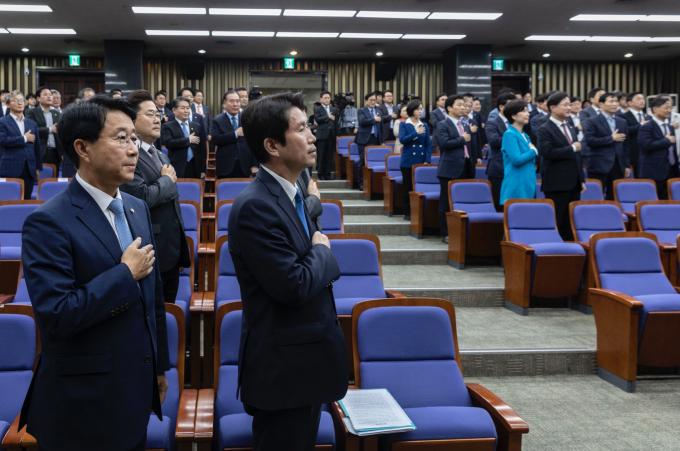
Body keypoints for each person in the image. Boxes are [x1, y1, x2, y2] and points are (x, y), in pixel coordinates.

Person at [19, 96, 169, 451]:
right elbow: (58, 314)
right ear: (82, 148)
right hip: (81, 404)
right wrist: (124, 274)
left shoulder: (136, 207)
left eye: (134, 139)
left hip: (134, 390)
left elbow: (153, 298)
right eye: (121, 138)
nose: (133, 150)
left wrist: (158, 367)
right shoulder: (48, 222)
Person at [229, 92, 347, 451]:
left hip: (304, 363)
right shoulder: (256, 206)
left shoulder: (292, 195)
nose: (312, 136)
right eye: (301, 129)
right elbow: (294, 285)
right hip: (283, 370)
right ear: (272, 145)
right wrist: (323, 252)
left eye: (310, 127)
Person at [121, 89, 191, 304]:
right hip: (149, 248)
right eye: (150, 114)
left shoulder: (159, 153)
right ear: (132, 119)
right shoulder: (129, 155)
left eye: (158, 114)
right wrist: (167, 181)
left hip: (170, 247)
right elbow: (141, 197)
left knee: (169, 309)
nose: (157, 119)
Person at [537, 92, 584, 240]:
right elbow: (547, 152)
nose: (569, 108)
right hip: (556, 183)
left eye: (569, 104)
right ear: (552, 107)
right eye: (565, 105)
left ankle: (571, 248)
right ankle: (556, 248)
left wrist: (581, 179)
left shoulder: (570, 125)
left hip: (574, 182)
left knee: (571, 221)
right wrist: (572, 148)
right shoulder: (544, 128)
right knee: (558, 220)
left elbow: (577, 157)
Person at [436, 95, 471, 242]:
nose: (463, 107)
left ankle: (460, 232)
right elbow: (444, 144)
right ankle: (446, 233)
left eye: (464, 105)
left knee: (462, 201)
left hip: (465, 166)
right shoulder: (443, 124)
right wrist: (462, 139)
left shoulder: (464, 124)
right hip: (449, 168)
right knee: (446, 202)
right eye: (459, 105)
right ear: (449, 108)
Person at [583, 92, 630, 200]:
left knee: (614, 196)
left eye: (616, 101)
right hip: (599, 165)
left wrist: (626, 165)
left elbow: (626, 145)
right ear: (601, 104)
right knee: (596, 196)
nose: (615, 104)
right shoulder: (592, 121)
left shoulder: (622, 121)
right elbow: (590, 141)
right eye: (611, 101)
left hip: (618, 165)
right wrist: (611, 138)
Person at [0, 90, 41, 199]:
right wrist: (24, 138)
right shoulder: (2, 122)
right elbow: (3, 140)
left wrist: (38, 168)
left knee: (27, 200)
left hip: (29, 169)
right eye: (15, 100)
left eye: (22, 100)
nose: (20, 103)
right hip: (10, 168)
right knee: (9, 201)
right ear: (8, 104)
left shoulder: (32, 123)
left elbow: (37, 148)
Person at [211, 89, 258, 178]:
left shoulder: (247, 118)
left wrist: (255, 164)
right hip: (225, 166)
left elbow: (253, 142)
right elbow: (216, 139)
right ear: (224, 104)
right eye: (232, 101)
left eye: (237, 101)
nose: (235, 104)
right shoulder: (217, 120)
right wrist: (235, 134)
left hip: (245, 165)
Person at [638, 95, 678, 199]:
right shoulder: (647, 126)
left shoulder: (670, 126)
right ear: (655, 109)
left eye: (671, 108)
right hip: (654, 171)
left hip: (671, 169)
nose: (669, 110)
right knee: (655, 201)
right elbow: (646, 145)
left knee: (669, 199)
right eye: (666, 108)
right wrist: (666, 141)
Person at [399, 100, 432, 220]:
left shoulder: (424, 125)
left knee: (418, 188)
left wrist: (427, 160)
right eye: (418, 109)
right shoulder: (404, 124)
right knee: (407, 187)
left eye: (421, 109)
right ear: (412, 110)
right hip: (408, 160)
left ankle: (419, 212)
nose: (420, 111)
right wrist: (416, 133)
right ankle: (407, 212)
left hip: (421, 160)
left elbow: (428, 144)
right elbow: (403, 140)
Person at [500, 100, 537, 205]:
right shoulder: (509, 134)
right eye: (524, 111)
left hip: (527, 181)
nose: (528, 114)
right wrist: (533, 151)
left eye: (527, 111)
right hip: (517, 183)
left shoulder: (525, 135)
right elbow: (516, 160)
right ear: (514, 116)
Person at [161, 96, 206, 178]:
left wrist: (203, 169)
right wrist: (188, 140)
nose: (186, 111)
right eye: (183, 108)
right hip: (177, 166)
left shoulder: (196, 126)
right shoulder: (168, 126)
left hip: (195, 166)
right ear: (174, 110)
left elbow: (202, 149)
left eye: (188, 108)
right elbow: (169, 143)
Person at [485, 93, 515, 210]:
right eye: (511, 105)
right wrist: (514, 138)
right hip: (498, 167)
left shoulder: (516, 122)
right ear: (502, 107)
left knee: (513, 204)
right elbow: (494, 141)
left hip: (514, 168)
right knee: (499, 204)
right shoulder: (492, 122)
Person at [27, 86, 61, 173]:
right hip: (40, 151)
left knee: (54, 178)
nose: (49, 96)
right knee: (40, 178)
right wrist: (49, 129)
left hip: (55, 152)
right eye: (45, 94)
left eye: (50, 94)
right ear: (38, 98)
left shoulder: (57, 113)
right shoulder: (32, 112)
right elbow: (31, 130)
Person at [355, 92, 383, 188]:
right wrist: (374, 119)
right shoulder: (361, 110)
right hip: (364, 139)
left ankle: (372, 185)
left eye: (374, 100)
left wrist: (382, 140)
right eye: (371, 100)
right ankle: (361, 183)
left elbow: (381, 126)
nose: (373, 102)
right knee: (363, 161)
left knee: (374, 161)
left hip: (375, 138)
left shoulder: (378, 110)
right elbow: (362, 122)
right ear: (366, 101)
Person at [621, 92, 649, 177]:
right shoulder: (622, 117)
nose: (642, 101)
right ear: (630, 103)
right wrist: (640, 125)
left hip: (648, 154)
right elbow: (624, 131)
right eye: (638, 99)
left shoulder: (648, 116)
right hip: (632, 154)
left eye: (643, 99)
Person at [313, 91, 339, 180]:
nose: (327, 99)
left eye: (328, 98)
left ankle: (327, 174)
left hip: (331, 135)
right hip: (322, 135)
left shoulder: (334, 109)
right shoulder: (317, 108)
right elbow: (318, 119)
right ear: (321, 99)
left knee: (329, 156)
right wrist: (328, 116)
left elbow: (336, 121)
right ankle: (320, 174)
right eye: (325, 98)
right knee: (321, 155)